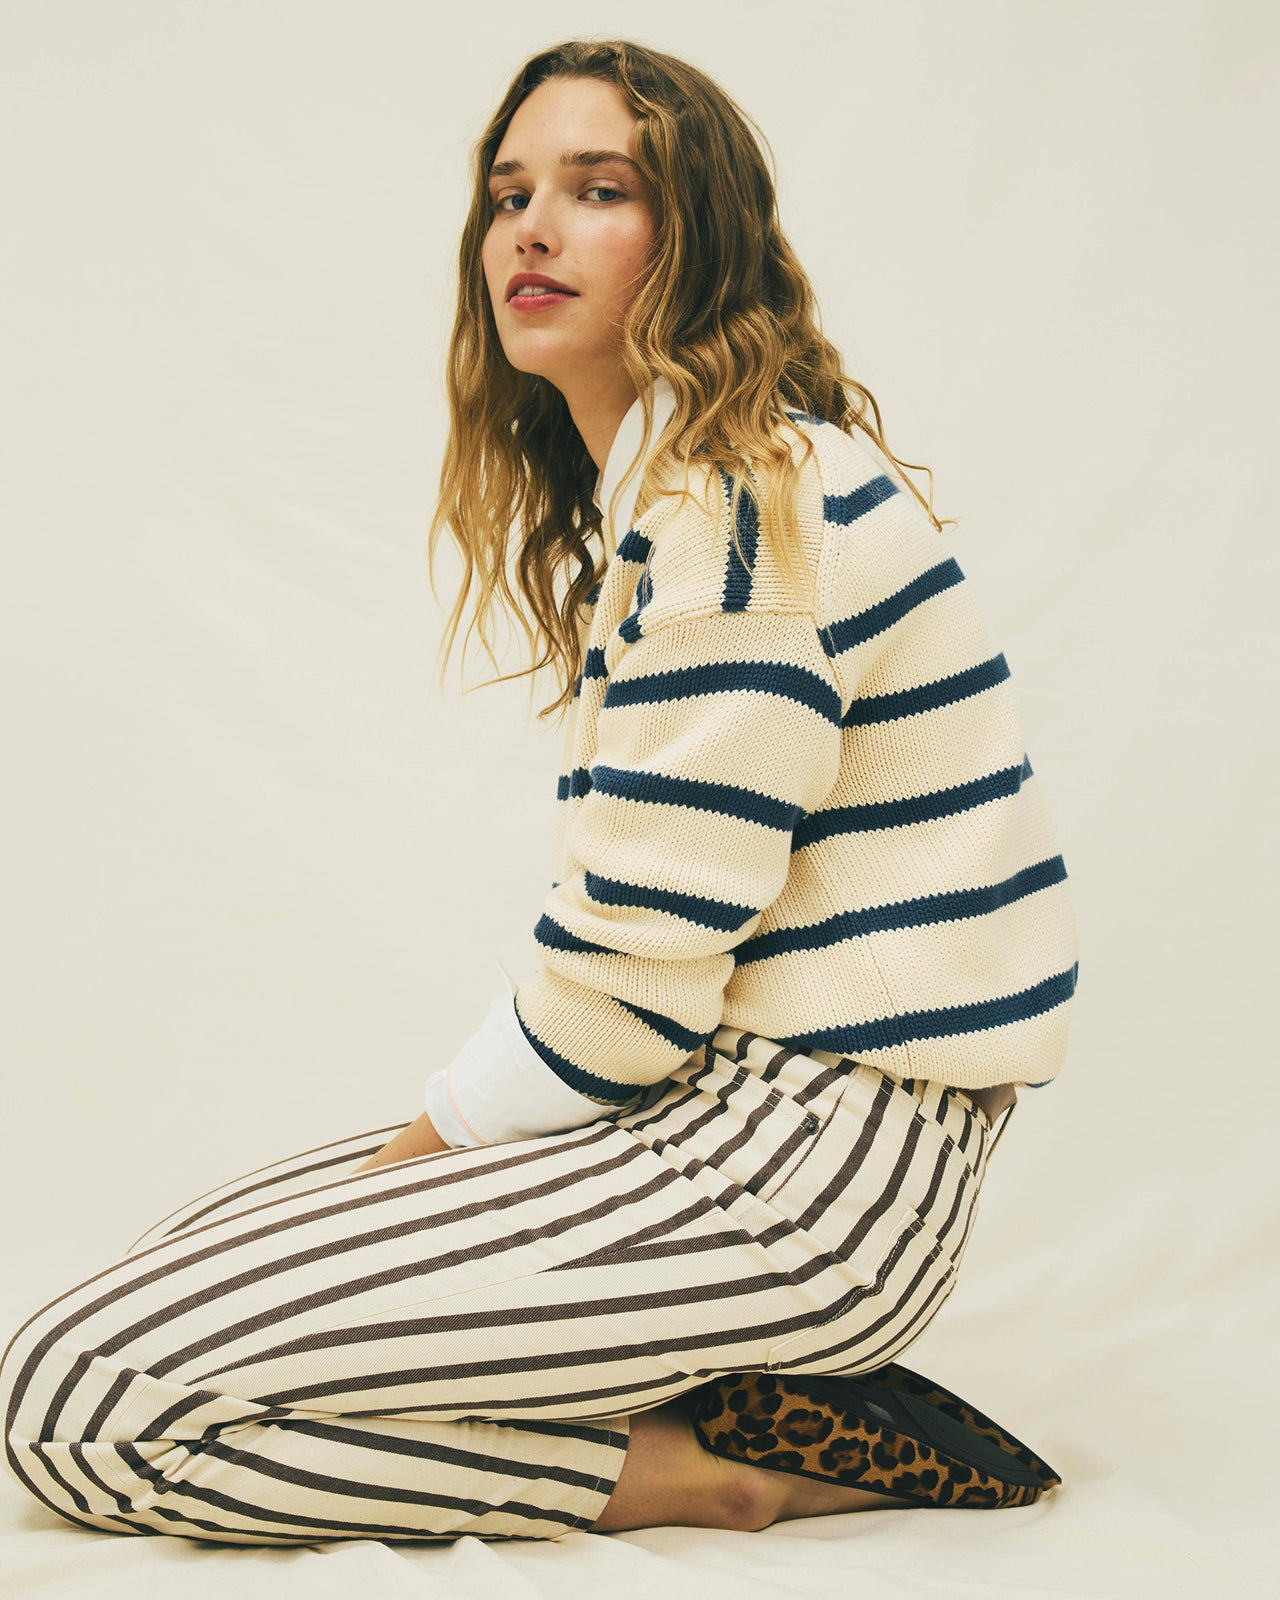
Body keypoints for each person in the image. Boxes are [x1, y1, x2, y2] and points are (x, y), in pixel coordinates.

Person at [0, 39, 1077, 1544]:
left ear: (692, 238)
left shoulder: (738, 513)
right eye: (510, 191)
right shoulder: (694, 497)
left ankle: (711, 1469)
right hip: (719, 1124)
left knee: (81, 1397)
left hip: (803, 1177)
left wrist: (417, 1157)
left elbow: (631, 983)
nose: (531, 227)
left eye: (598, 188)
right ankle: (691, 1391)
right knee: (180, 1266)